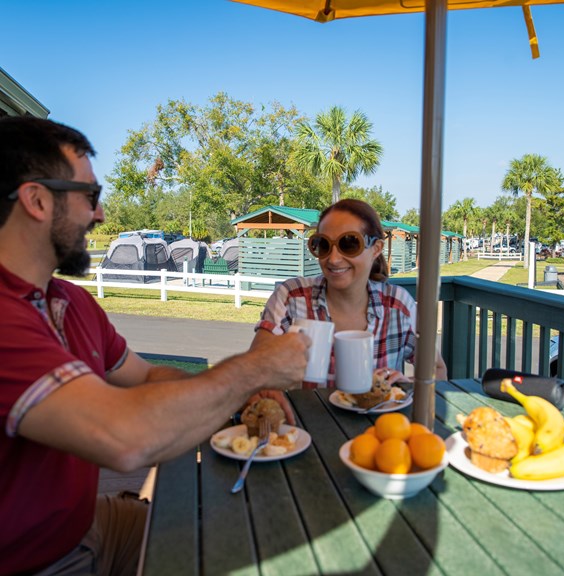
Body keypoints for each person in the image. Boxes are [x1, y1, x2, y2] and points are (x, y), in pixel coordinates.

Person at [0, 116, 310, 575]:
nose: (100, 214)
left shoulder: (72, 302)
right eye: (90, 196)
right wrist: (255, 369)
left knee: (228, 539)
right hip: (33, 561)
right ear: (37, 200)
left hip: (86, 526)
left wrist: (236, 397)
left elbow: (145, 376)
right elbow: (125, 439)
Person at [250, 198, 447, 394]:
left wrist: (406, 385)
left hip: (378, 424)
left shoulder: (397, 306)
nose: (333, 259)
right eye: (323, 245)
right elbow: (254, 370)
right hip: (303, 423)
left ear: (376, 249)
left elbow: (437, 370)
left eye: (349, 244)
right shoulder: (292, 297)